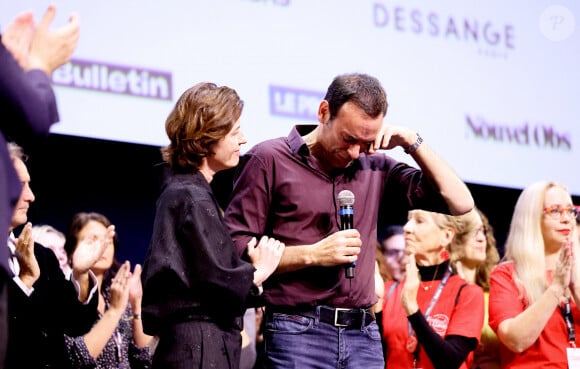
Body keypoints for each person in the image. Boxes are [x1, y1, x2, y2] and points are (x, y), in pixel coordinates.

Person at [223, 72, 474, 368]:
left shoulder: (374, 166)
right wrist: (313, 254)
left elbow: (461, 203)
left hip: (363, 335)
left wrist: (411, 141)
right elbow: (235, 248)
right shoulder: (270, 158)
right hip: (297, 331)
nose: (356, 152)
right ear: (323, 112)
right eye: (348, 139)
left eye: (367, 143)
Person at [140, 82, 285, 369]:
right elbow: (216, 280)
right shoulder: (190, 196)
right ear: (206, 138)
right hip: (199, 348)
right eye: (234, 132)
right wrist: (260, 270)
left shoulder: (186, 193)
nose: (243, 139)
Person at [0, 6, 80, 364]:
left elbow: (74, 324)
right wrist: (39, 66)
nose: (24, 195)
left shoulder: (41, 259)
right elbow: (34, 114)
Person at [5, 142, 110, 369]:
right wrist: (24, 282)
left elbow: (75, 324)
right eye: (21, 185)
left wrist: (81, 275)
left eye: (29, 185)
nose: (31, 196)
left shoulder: (42, 256)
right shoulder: (29, 264)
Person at [488, 181, 580, 368]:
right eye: (555, 211)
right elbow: (516, 340)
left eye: (570, 210)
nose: (566, 219)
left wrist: (576, 286)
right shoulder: (507, 274)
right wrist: (555, 289)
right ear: (531, 218)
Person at [381, 209, 484, 369]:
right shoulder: (389, 290)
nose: (407, 227)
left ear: (447, 236)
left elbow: (450, 361)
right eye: (408, 220)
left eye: (419, 221)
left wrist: (412, 309)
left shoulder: (467, 293)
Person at [61, 212, 152, 369]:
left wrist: (136, 304)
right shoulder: (63, 296)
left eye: (107, 241)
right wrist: (114, 311)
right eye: (92, 240)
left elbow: (145, 358)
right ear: (72, 249)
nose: (102, 247)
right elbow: (77, 359)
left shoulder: (115, 294)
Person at [450, 209, 501, 369]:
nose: (481, 239)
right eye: (472, 232)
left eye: (483, 232)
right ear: (452, 238)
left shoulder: (496, 291)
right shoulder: (441, 290)